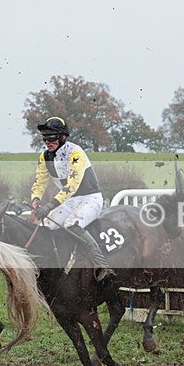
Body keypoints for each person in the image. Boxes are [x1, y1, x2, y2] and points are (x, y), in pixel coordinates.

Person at [30, 116, 114, 281]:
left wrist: (50, 205)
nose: (48, 142)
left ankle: (101, 264)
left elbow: (71, 186)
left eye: (51, 138)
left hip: (90, 198)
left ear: (62, 137)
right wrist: (36, 200)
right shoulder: (44, 157)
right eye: (45, 138)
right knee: (46, 225)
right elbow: (39, 182)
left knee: (72, 224)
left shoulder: (75, 153)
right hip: (70, 201)